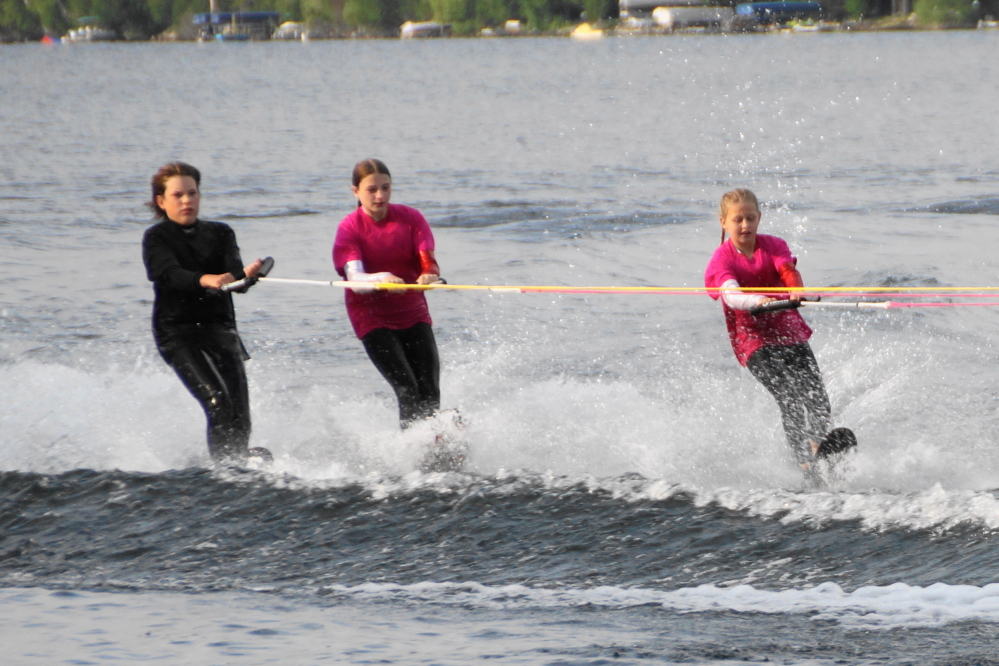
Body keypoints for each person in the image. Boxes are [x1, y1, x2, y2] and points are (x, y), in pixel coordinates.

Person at [704, 188, 849, 472]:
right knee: (790, 397)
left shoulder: (774, 245)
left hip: (787, 330)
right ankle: (804, 463)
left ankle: (820, 448)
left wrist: (796, 291)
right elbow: (731, 295)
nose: (745, 225)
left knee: (818, 398)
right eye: (737, 220)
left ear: (759, 218)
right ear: (724, 222)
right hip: (754, 340)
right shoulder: (722, 259)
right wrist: (757, 300)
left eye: (750, 218)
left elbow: (787, 272)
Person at [142, 162, 269, 464]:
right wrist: (205, 279)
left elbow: (236, 279)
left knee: (241, 412)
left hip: (220, 328)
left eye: (192, 193)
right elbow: (167, 273)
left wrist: (246, 276)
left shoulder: (221, 232)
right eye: (178, 195)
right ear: (161, 201)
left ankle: (238, 461)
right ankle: (224, 473)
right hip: (177, 333)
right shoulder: (156, 238)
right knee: (218, 402)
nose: (186, 201)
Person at [332, 159, 445, 429]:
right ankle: (411, 451)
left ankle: (433, 447)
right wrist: (382, 278)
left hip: (412, 310)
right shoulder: (349, 228)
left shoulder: (411, 218)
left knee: (429, 389)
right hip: (372, 317)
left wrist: (429, 274)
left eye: (386, 187)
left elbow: (427, 260)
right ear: (355, 192)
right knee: (407, 388)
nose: (380, 196)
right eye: (371, 189)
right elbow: (356, 281)